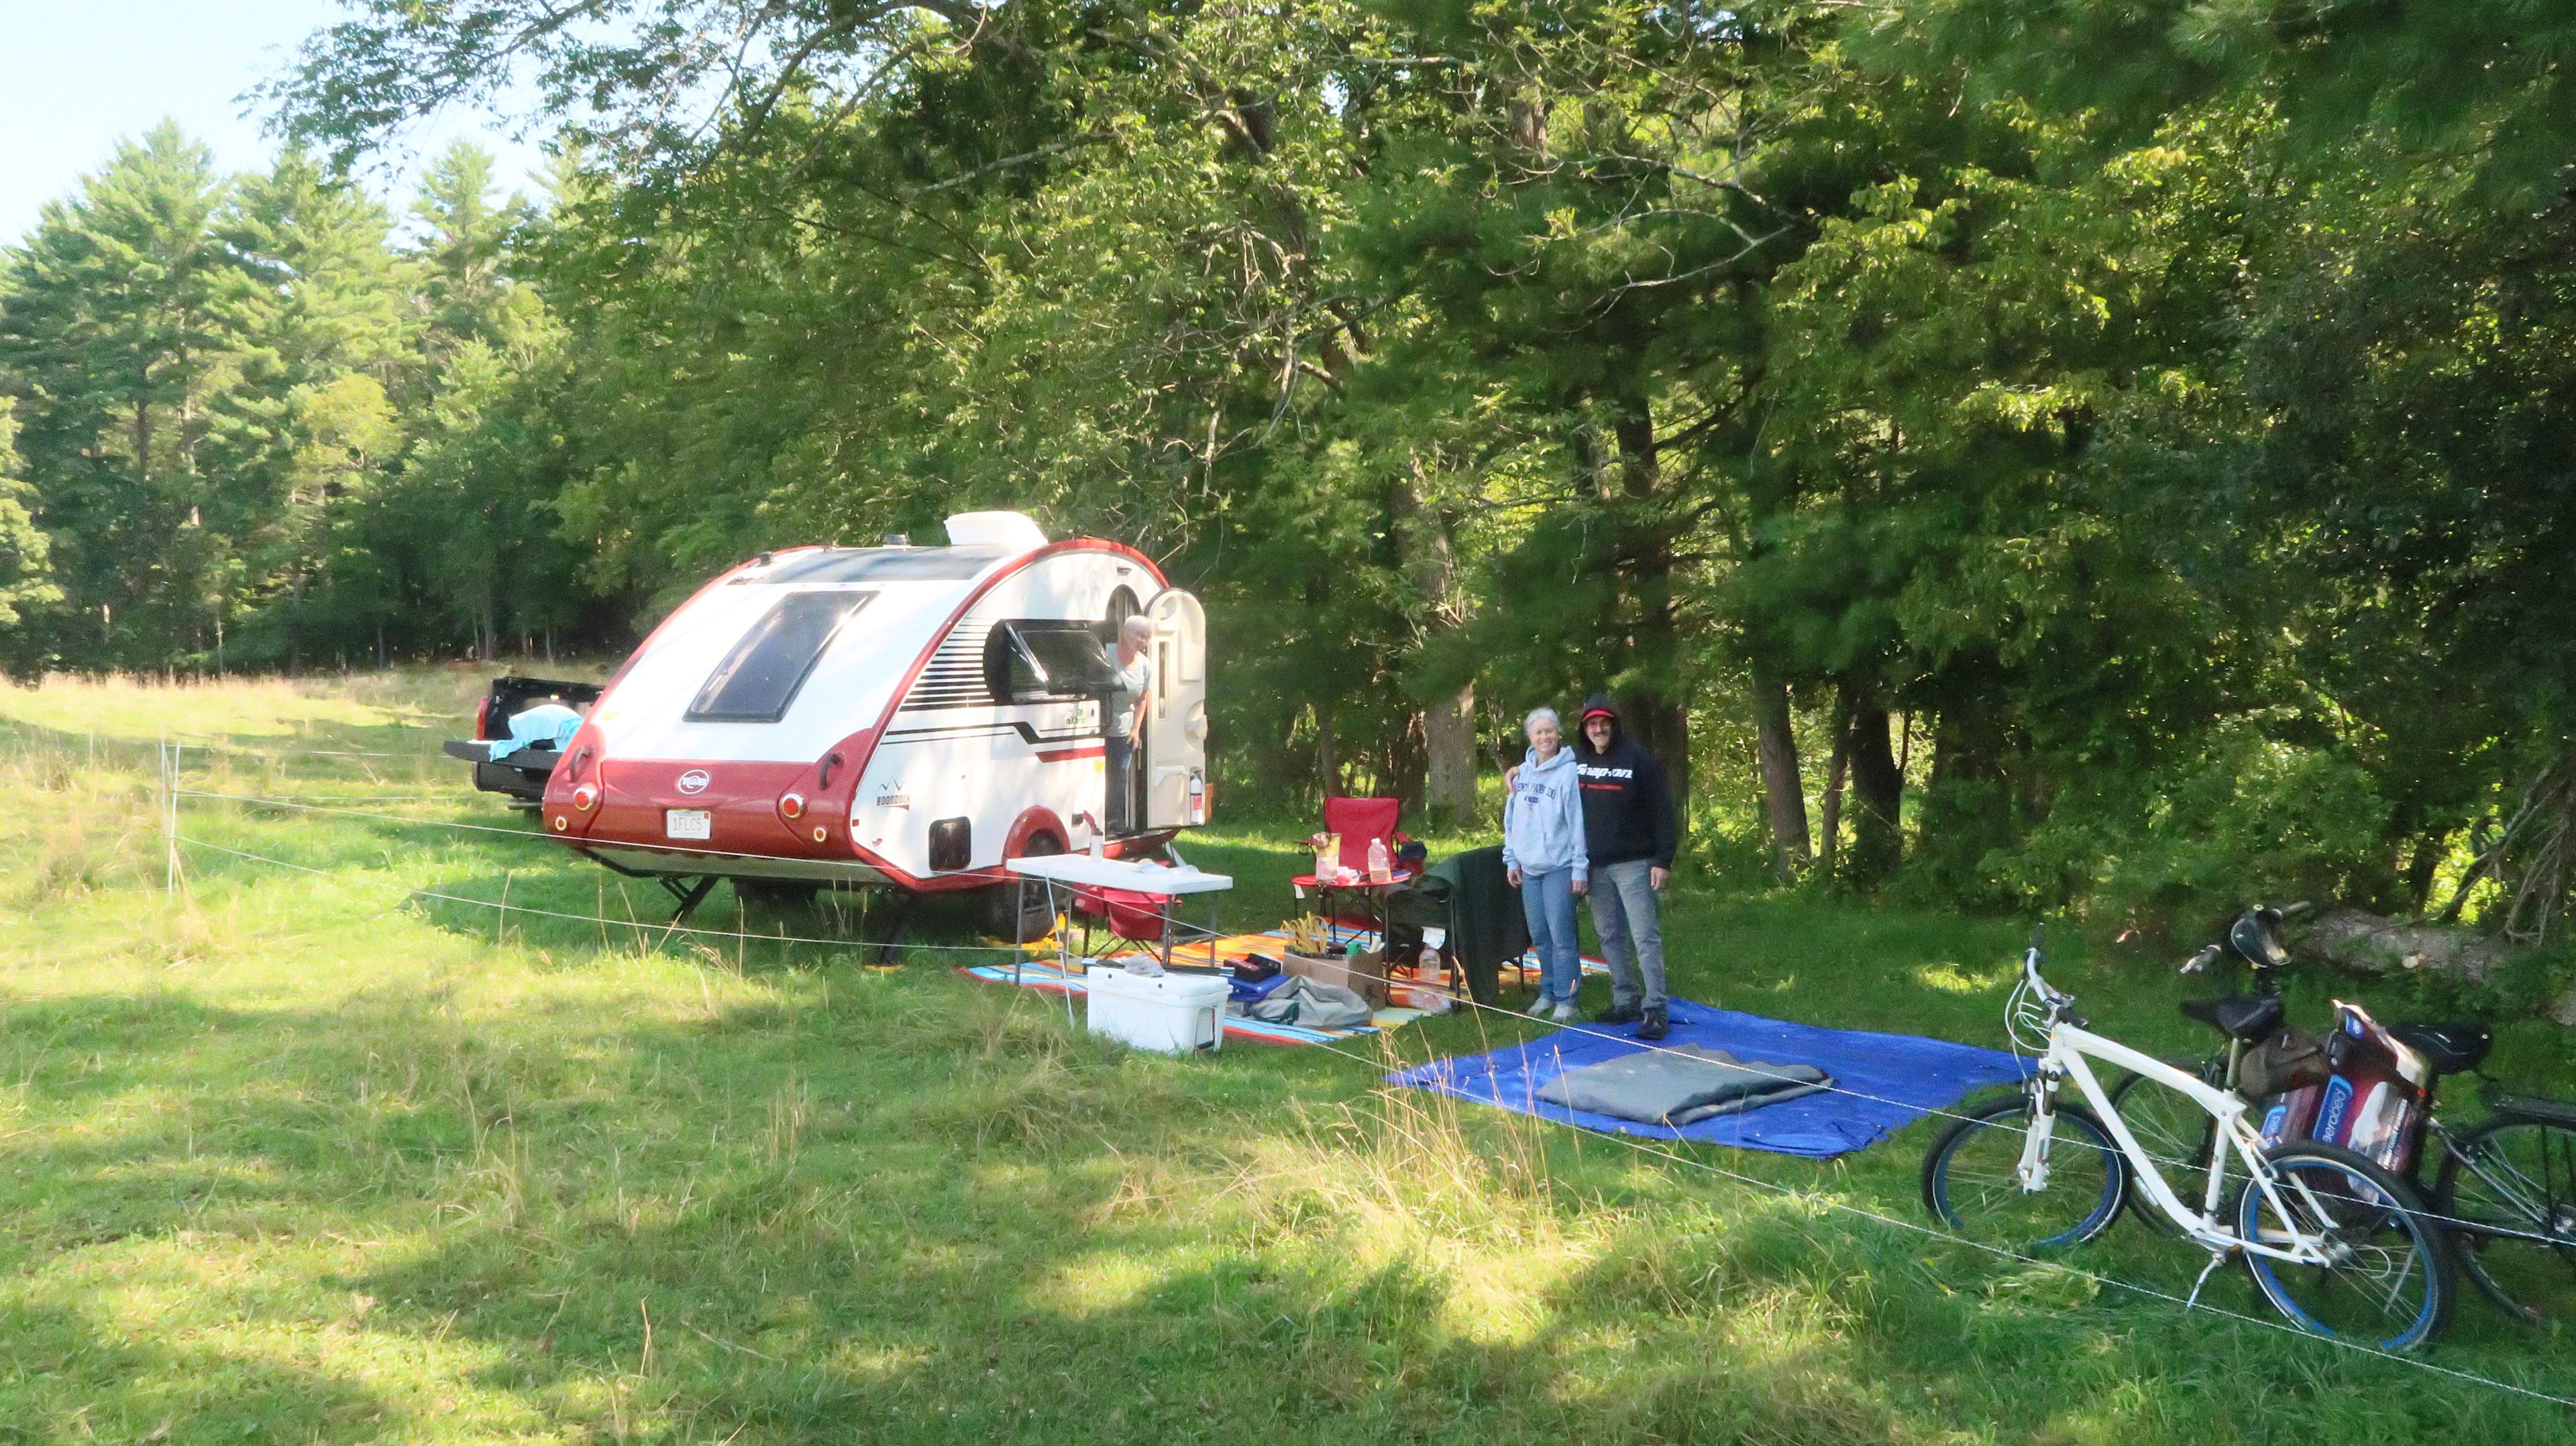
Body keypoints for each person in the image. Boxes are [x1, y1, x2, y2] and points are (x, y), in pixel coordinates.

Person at [1572, 693, 1678, 1040]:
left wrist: (1663, 859)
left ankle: (1656, 1008)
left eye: (1603, 723)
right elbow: (1539, 759)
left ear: (1613, 725)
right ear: (1584, 728)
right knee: (1609, 936)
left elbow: (1662, 809)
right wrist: (1515, 769)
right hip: (1595, 866)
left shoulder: (1637, 759)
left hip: (1635, 863)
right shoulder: (1576, 760)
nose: (1598, 729)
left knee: (1645, 936)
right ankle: (1625, 1000)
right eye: (1592, 724)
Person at [1502, 706, 1589, 1022]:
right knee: (1540, 936)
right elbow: (1511, 822)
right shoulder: (1521, 774)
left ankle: (1569, 997)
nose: (1545, 737)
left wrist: (1580, 867)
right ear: (1530, 737)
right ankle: (1548, 992)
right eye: (1538, 732)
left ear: (1558, 734)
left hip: (1559, 867)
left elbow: (1576, 823)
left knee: (1562, 936)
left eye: (1549, 731)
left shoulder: (1568, 772)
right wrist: (1512, 859)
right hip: (1528, 869)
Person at [1102, 614, 1153, 834]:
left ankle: (1114, 823)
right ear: (1125, 634)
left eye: (1146, 637)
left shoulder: (1145, 665)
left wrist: (1136, 729)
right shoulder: (1106, 653)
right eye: (1138, 634)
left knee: (1119, 775)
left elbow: (1143, 698)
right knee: (1097, 773)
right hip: (1098, 724)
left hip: (1124, 728)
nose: (1142, 640)